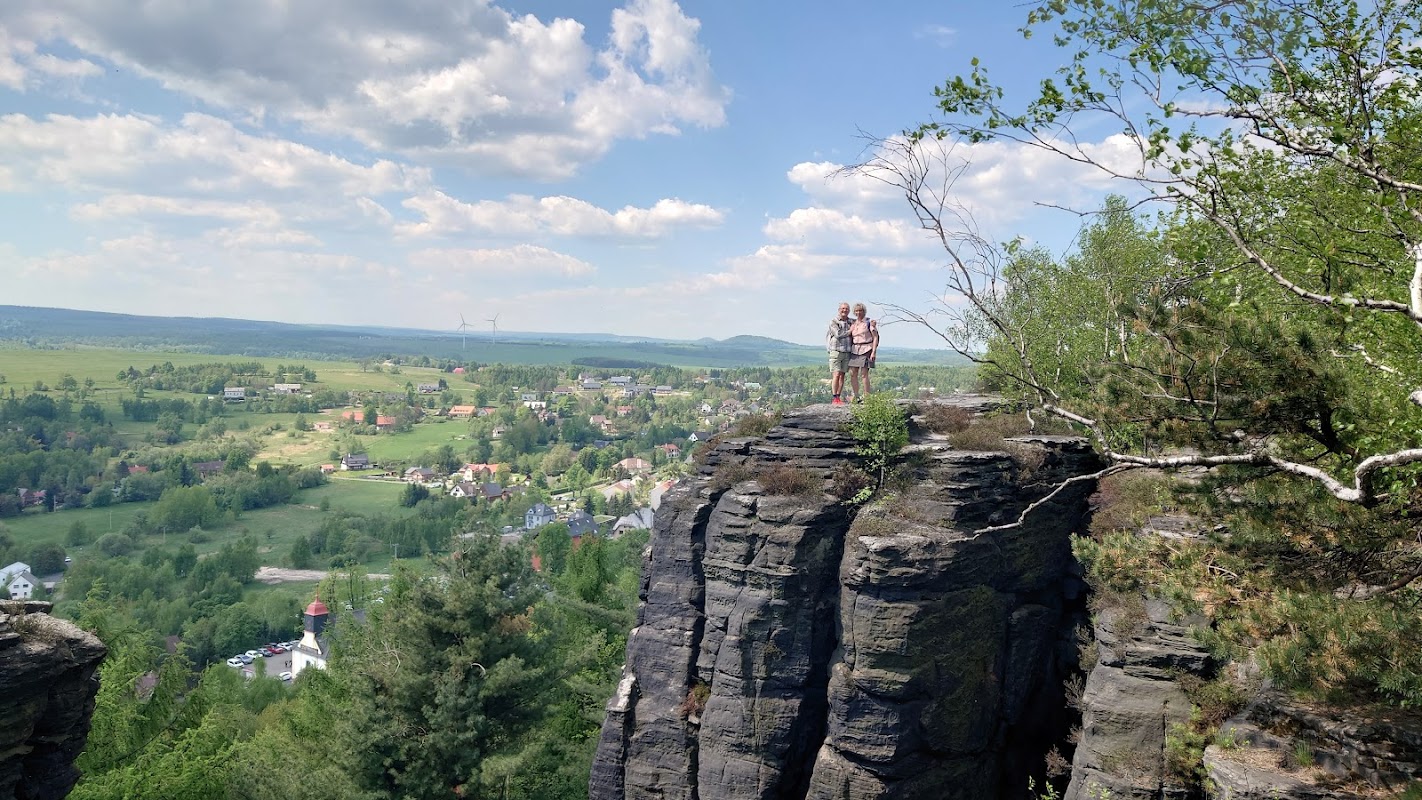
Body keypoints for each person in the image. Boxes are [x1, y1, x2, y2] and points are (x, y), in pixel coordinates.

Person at [846, 303, 879, 402]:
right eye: (856, 311)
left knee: (864, 374)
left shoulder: (868, 323)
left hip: (866, 349)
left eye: (860, 310)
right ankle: (855, 395)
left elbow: (875, 337)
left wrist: (873, 352)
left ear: (864, 311)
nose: (858, 312)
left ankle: (867, 396)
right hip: (855, 349)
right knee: (853, 373)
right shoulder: (853, 323)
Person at [825, 302, 853, 405]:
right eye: (842, 308)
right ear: (839, 310)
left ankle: (838, 397)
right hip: (836, 350)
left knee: (842, 375)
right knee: (836, 374)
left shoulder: (851, 321)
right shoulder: (834, 321)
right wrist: (850, 331)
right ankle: (834, 397)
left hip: (847, 351)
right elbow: (838, 334)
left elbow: (861, 322)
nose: (844, 310)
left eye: (846, 309)